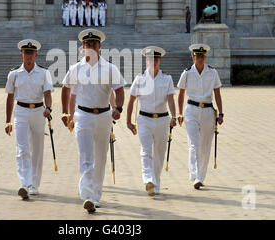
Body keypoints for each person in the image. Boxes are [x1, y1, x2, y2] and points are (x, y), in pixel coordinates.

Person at [61, 29, 126, 213]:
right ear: (83, 47)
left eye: (94, 45)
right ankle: (87, 195)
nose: (90, 47)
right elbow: (66, 89)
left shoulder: (110, 68)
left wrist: (118, 108)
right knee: (86, 156)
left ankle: (96, 195)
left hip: (104, 116)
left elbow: (120, 90)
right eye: (87, 45)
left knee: (100, 156)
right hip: (83, 115)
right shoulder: (76, 68)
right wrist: (66, 112)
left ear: (100, 47)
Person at [5, 39, 54, 200]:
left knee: (37, 150)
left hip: (39, 112)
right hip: (21, 111)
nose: (28, 56)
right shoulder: (14, 74)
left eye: (31, 53)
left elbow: (47, 93)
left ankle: (34, 184)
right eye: (26, 53)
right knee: (22, 148)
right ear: (21, 55)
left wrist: (48, 108)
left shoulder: (44, 72)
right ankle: (24, 183)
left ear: (36, 55)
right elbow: (10, 97)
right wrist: (8, 121)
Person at [127, 46, 177, 196]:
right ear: (146, 60)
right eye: (150, 59)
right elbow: (131, 101)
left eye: (156, 59)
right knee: (146, 151)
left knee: (160, 154)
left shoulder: (167, 78)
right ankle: (148, 179)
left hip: (162, 120)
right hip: (144, 119)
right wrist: (128, 121)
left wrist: (174, 117)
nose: (153, 61)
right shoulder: (139, 79)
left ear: (159, 60)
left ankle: (155, 184)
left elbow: (170, 99)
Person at [176, 44, 224, 190]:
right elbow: (181, 93)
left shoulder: (212, 72)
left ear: (205, 57)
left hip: (208, 111)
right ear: (193, 57)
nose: (200, 59)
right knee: (194, 144)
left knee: (205, 146)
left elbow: (217, 93)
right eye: (197, 56)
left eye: (202, 56)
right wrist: (179, 113)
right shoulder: (187, 73)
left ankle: (201, 176)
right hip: (191, 110)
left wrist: (221, 113)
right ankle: (195, 175)